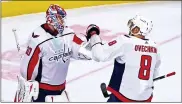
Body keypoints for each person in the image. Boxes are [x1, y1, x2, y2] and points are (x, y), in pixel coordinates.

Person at [14, 4, 91, 102]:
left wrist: (92, 44)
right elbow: (27, 71)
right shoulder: (38, 39)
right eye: (60, 19)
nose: (62, 22)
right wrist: (28, 86)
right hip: (42, 92)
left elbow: (85, 52)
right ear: (52, 20)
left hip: (61, 90)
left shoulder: (68, 34)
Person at [86, 15, 161, 102]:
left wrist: (93, 35)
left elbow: (99, 55)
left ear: (136, 30)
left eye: (133, 26)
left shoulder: (125, 41)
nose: (130, 28)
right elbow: (155, 74)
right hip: (146, 98)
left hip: (122, 97)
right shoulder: (155, 47)